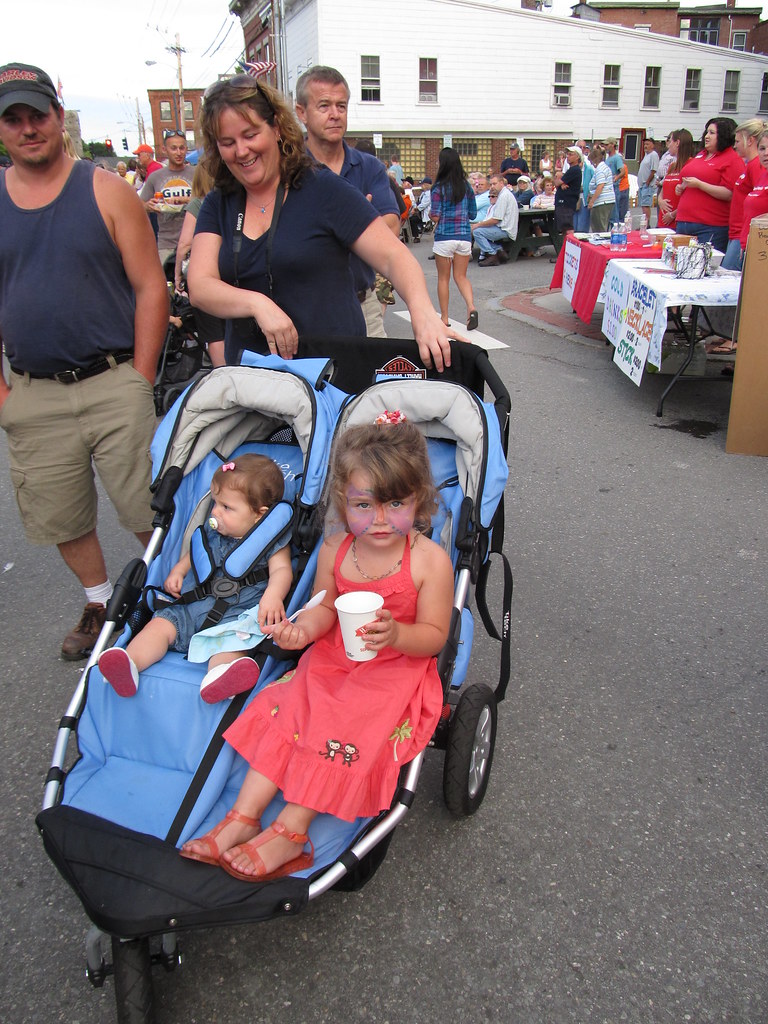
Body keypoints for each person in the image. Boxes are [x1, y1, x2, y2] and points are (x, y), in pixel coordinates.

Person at [179, 416, 453, 881]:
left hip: (394, 670)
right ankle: (242, 816)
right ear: (345, 502)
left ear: (420, 501)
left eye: (396, 504)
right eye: (365, 505)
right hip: (333, 658)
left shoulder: (429, 560)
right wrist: (301, 630)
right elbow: (324, 607)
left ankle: (292, 829)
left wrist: (398, 635)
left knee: (341, 726)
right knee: (289, 708)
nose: (381, 519)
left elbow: (434, 635)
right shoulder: (336, 548)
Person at [0, 62, 168, 660]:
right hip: (32, 391)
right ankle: (99, 602)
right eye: (12, 119)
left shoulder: (106, 189)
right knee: (61, 511)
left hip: (112, 380)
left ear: (57, 115)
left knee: (149, 506)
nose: (27, 128)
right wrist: (5, 396)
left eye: (36, 115)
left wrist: (138, 379)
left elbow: (152, 286)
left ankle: (180, 599)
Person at [188, 75, 456, 372]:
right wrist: (257, 304)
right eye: (228, 143)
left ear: (276, 127)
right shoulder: (219, 203)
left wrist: (423, 314)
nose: (241, 151)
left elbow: (394, 257)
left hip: (333, 376)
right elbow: (200, 285)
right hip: (256, 380)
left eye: (250, 135)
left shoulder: (322, 189)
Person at [98, 454, 292, 703]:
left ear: (258, 515)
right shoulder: (213, 531)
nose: (215, 512)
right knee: (160, 626)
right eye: (215, 503)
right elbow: (195, 554)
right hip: (190, 608)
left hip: (235, 617)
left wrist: (273, 596)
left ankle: (219, 678)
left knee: (232, 644)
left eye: (226, 507)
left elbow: (281, 571)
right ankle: (129, 663)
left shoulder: (271, 541)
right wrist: (179, 571)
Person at [294, 66, 400, 337]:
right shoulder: (288, 170)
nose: (335, 114)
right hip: (304, 313)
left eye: (341, 106)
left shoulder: (369, 167)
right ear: (301, 112)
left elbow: (390, 226)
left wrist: (325, 231)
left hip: (364, 307)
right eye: (324, 105)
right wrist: (360, 221)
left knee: (377, 380)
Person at [174, 162, 226, 366]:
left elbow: (185, 243)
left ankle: (226, 375)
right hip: (230, 271)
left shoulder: (199, 203)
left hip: (207, 273)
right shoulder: (233, 200)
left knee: (214, 333)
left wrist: (177, 274)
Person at [675, 117, 744, 252]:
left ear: (723, 136)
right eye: (707, 132)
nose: (707, 136)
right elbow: (686, 176)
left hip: (709, 226)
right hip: (684, 222)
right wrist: (681, 187)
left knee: (702, 267)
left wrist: (700, 185)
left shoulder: (732, 159)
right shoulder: (701, 154)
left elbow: (730, 193)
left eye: (712, 133)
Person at [429, 147, 478, 331]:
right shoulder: (466, 187)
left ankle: (444, 318)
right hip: (464, 237)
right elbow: (473, 214)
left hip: (444, 237)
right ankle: (471, 307)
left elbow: (435, 215)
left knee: (443, 278)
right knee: (461, 276)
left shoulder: (438, 188)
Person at [140, 130, 193, 270]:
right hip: (166, 242)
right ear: (164, 149)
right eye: (173, 148)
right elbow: (139, 205)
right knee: (168, 287)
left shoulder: (197, 174)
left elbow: (209, 200)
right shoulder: (155, 177)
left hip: (194, 242)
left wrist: (188, 200)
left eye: (182, 148)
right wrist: (148, 205)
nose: (179, 152)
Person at [721, 118, 766, 271]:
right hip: (738, 234)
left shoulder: (757, 167)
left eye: (738, 141)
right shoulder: (751, 166)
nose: (735, 146)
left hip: (743, 234)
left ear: (750, 140)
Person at [471, 172, 519, 267]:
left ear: (501, 183)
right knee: (477, 230)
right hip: (504, 227)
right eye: (491, 184)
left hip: (505, 230)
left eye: (494, 184)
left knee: (477, 232)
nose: (492, 186)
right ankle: (498, 250)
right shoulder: (503, 194)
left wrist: (478, 224)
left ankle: (492, 255)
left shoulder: (503, 196)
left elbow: (496, 220)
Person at [657, 129, 695, 229]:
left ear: (677, 143)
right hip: (663, 221)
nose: (668, 145)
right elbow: (663, 188)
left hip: (677, 223)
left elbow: (691, 198)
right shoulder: (672, 166)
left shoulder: (692, 165)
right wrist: (660, 200)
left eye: (670, 141)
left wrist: (672, 215)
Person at [554, 145, 583, 239]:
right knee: (563, 229)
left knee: (568, 229)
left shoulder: (575, 170)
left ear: (577, 157)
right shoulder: (570, 170)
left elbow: (557, 182)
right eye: (567, 154)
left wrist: (559, 179)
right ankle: (565, 249)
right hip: (562, 203)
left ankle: (571, 248)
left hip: (567, 203)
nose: (568, 156)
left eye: (571, 154)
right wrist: (560, 182)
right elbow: (557, 182)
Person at [587, 144, 615, 232]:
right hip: (607, 200)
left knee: (599, 228)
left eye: (592, 162)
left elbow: (600, 186)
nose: (592, 165)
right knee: (603, 225)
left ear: (595, 160)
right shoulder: (605, 168)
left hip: (601, 202)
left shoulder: (600, 170)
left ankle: (600, 244)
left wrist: (592, 201)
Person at [637, 138, 659, 225]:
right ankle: (644, 223)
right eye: (645, 144)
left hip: (647, 185)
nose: (645, 146)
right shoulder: (646, 155)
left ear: (653, 145)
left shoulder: (653, 155)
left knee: (646, 205)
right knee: (643, 205)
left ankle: (647, 225)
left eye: (648, 144)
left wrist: (647, 182)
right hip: (642, 185)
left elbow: (653, 170)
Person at [604, 137, 625, 224]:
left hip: (614, 188)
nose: (605, 147)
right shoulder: (608, 158)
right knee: (609, 212)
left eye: (607, 144)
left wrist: (616, 178)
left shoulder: (617, 158)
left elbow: (622, 172)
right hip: (607, 187)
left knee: (614, 211)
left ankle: (615, 229)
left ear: (613, 145)